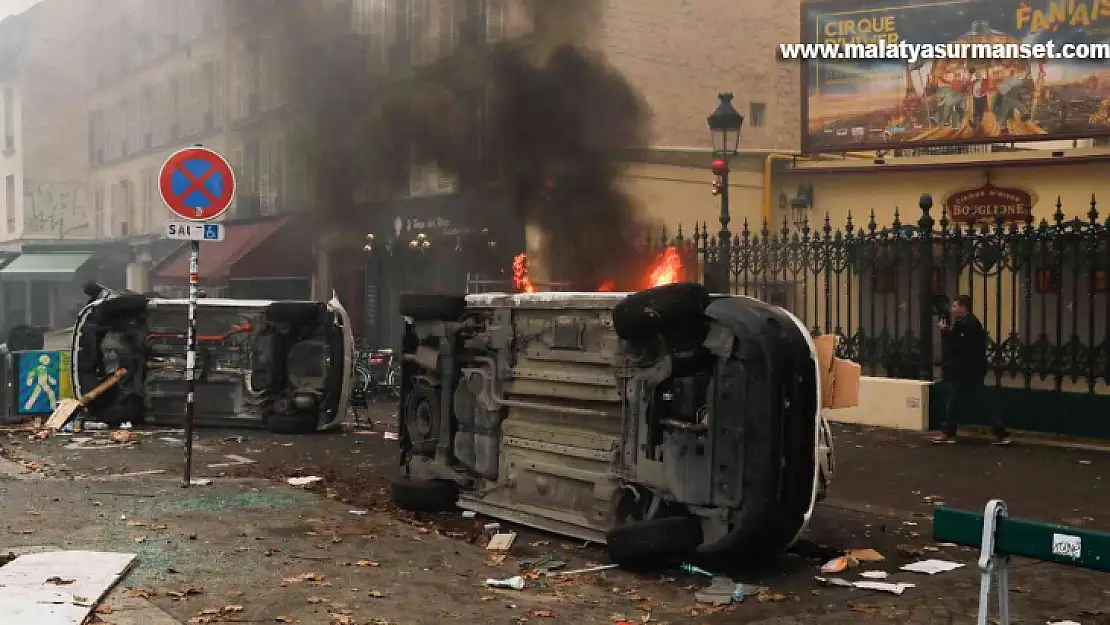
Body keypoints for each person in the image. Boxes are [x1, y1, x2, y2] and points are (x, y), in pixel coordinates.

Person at [932, 295, 1010, 445]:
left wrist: (946, 332)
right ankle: (999, 432)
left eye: (955, 306)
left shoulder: (969, 324)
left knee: (966, 400)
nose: (953, 310)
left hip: (967, 370)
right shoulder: (965, 323)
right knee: (964, 400)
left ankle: (949, 432)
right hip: (968, 370)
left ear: (963, 307)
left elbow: (958, 346)